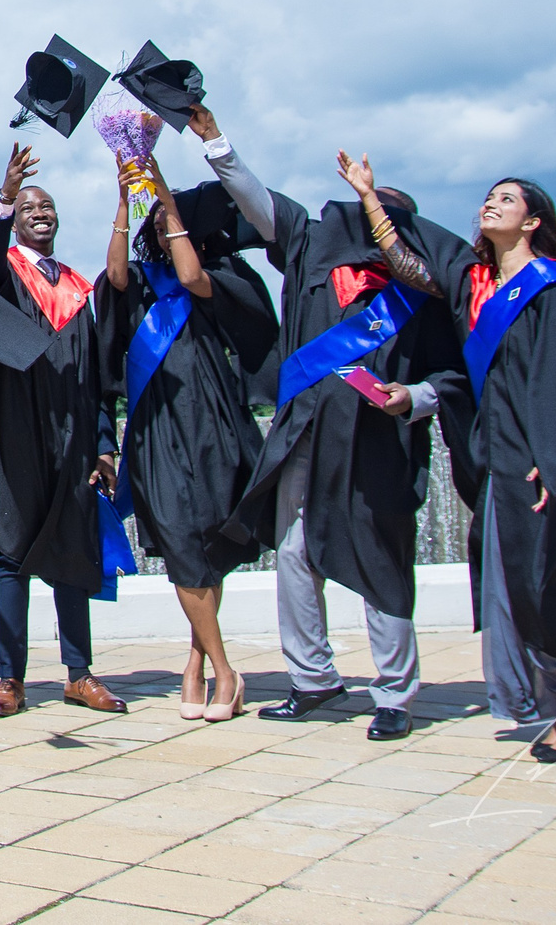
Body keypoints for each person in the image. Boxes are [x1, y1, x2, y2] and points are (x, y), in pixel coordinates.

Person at [193, 106, 462, 741]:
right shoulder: (313, 248)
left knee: (381, 560)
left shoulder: (419, 293)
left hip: (377, 441)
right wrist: (214, 139)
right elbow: (260, 204)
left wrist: (415, 397)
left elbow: (453, 374)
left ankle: (394, 693)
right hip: (305, 431)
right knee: (293, 553)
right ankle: (312, 678)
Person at [342, 160, 556, 762]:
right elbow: (415, 265)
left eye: (508, 199)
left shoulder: (553, 286)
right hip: (501, 457)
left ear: (533, 220)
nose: (492, 204)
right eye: (489, 197)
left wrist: (551, 456)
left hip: (540, 459)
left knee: (550, 581)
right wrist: (368, 196)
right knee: (517, 582)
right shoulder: (477, 285)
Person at [102, 155, 276, 721]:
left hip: (211, 420)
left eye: (166, 221)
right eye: (155, 223)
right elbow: (118, 276)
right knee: (180, 543)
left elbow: (193, 276)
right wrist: (128, 200)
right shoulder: (144, 286)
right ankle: (225, 670)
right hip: (156, 427)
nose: (159, 227)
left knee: (206, 544)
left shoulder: (217, 277)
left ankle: (197, 661)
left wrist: (168, 201)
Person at [0, 145, 127, 718]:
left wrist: (104, 441)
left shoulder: (78, 289)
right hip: (14, 431)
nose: (41, 212)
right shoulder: (6, 276)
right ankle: (11, 678)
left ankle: (79, 674)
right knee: (13, 551)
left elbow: (95, 375)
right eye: (30, 207)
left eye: (47, 206)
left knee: (73, 550)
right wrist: (4, 197)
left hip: (72, 434)